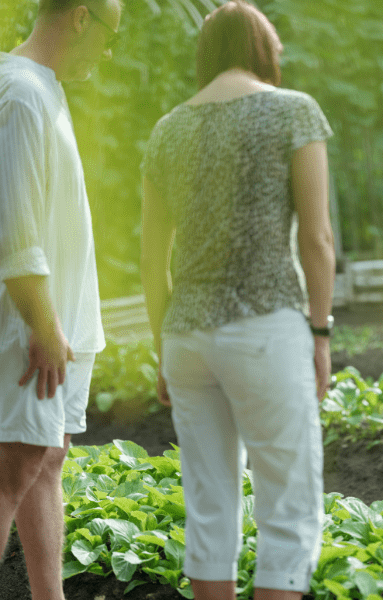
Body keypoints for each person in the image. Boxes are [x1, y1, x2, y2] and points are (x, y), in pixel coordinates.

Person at [139, 2, 335, 599]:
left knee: (209, 505)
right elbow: (317, 238)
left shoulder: (167, 128)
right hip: (264, 328)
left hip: (186, 337)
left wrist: (160, 346)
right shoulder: (294, 111)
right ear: (264, 49)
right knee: (288, 504)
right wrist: (321, 333)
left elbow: (152, 257)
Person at [0, 0, 120, 597]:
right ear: (79, 18)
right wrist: (44, 328)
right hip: (29, 332)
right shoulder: (19, 91)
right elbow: (15, 231)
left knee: (45, 463)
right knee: (9, 470)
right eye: (109, 34)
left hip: (58, 330)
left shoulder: (44, 89)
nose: (108, 49)